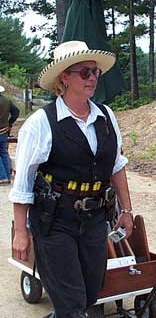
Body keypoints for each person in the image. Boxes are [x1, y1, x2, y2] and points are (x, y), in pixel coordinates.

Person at [9, 41, 133, 318]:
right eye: (84, 73)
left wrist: (126, 210)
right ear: (64, 77)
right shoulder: (41, 123)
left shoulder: (106, 116)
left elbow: (116, 165)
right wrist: (21, 232)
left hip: (95, 220)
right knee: (71, 302)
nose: (92, 78)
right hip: (54, 222)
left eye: (95, 72)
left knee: (90, 293)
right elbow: (23, 183)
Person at [0, 85, 20, 184]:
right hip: (4, 130)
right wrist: (10, 122)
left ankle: (2, 176)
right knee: (3, 152)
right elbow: (16, 112)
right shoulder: (7, 101)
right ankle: (7, 176)